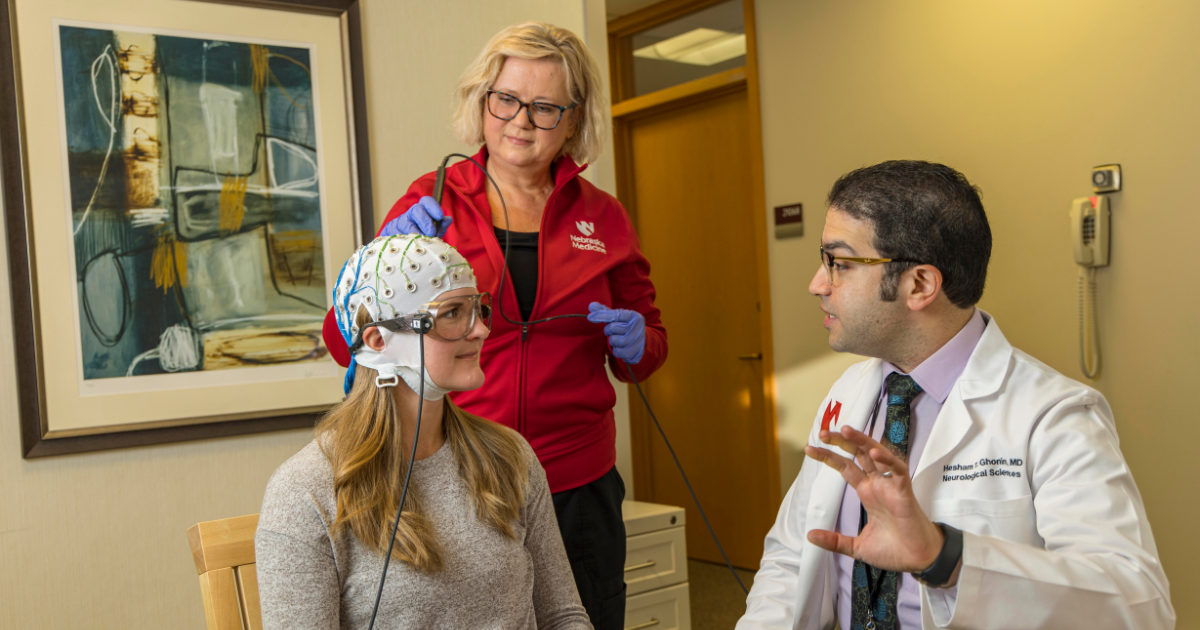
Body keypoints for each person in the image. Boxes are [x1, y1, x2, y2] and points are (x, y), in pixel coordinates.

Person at [320, 22, 666, 629]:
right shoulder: (432, 201)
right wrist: (382, 255)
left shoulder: (604, 218)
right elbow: (343, 342)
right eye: (505, 100)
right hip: (461, 476)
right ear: (482, 101)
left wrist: (639, 340)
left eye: (543, 107)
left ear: (573, 116)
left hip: (577, 483)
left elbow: (645, 355)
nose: (520, 121)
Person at [736, 161, 1174, 630]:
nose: (817, 284)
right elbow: (791, 556)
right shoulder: (848, 393)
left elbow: (1139, 603)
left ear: (919, 284)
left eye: (838, 263)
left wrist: (946, 559)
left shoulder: (1053, 415)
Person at [258, 235, 593, 630]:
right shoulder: (306, 490)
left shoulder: (509, 456)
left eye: (478, 309)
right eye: (452, 313)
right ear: (379, 340)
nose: (481, 330)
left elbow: (563, 616)